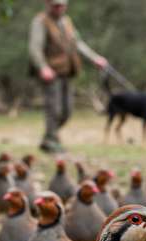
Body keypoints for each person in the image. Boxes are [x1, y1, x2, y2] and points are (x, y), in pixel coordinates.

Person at [29, 0, 107, 153]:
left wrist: (95, 58)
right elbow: (34, 48)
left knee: (67, 111)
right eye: (56, 5)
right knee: (54, 109)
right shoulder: (40, 21)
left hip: (67, 71)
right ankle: (51, 141)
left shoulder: (66, 21)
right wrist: (43, 67)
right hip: (51, 73)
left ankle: (49, 138)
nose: (59, 8)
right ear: (48, 4)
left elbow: (78, 43)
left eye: (62, 5)